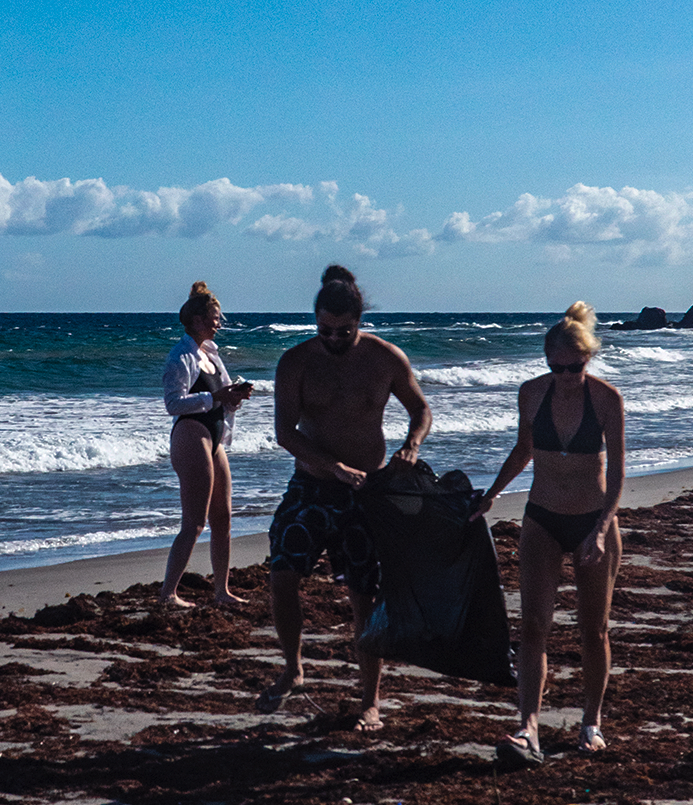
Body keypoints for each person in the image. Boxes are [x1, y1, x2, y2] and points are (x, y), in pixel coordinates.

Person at [262, 265, 432, 729]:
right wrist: (330, 465)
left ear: (360, 321)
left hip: (368, 491)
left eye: (344, 331)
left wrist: (411, 446)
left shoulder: (384, 358)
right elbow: (284, 433)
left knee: (364, 595)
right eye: (324, 330)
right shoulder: (295, 362)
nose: (333, 338)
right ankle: (293, 668)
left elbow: (420, 408)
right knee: (282, 573)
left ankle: (370, 701)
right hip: (313, 485)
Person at [473, 302, 624, 766]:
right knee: (533, 626)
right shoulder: (531, 394)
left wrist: (599, 530)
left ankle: (591, 722)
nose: (564, 375)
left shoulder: (605, 399)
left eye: (573, 367)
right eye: (555, 367)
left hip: (592, 520)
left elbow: (617, 473)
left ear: (588, 359)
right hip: (542, 517)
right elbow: (524, 449)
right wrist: (493, 493)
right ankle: (528, 727)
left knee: (592, 629)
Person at [160, 281, 253, 608]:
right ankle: (169, 593)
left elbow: (222, 400)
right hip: (190, 434)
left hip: (215, 436)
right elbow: (173, 403)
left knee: (223, 518)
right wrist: (214, 397)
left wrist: (234, 398)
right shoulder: (181, 355)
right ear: (198, 320)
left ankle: (221, 591)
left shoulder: (211, 354)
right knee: (195, 522)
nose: (219, 324)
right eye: (215, 318)